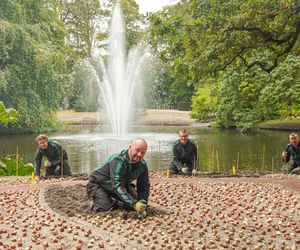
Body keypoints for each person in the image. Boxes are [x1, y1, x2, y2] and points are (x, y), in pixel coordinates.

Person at [86, 138, 150, 218]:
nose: (139, 154)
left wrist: (142, 202)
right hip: (99, 184)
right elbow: (117, 185)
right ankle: (95, 203)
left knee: (132, 205)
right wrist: (134, 204)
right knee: (104, 208)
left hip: (120, 185)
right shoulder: (118, 159)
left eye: (143, 153)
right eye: (137, 150)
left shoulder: (143, 165)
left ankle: (115, 201)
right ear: (130, 147)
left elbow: (144, 186)